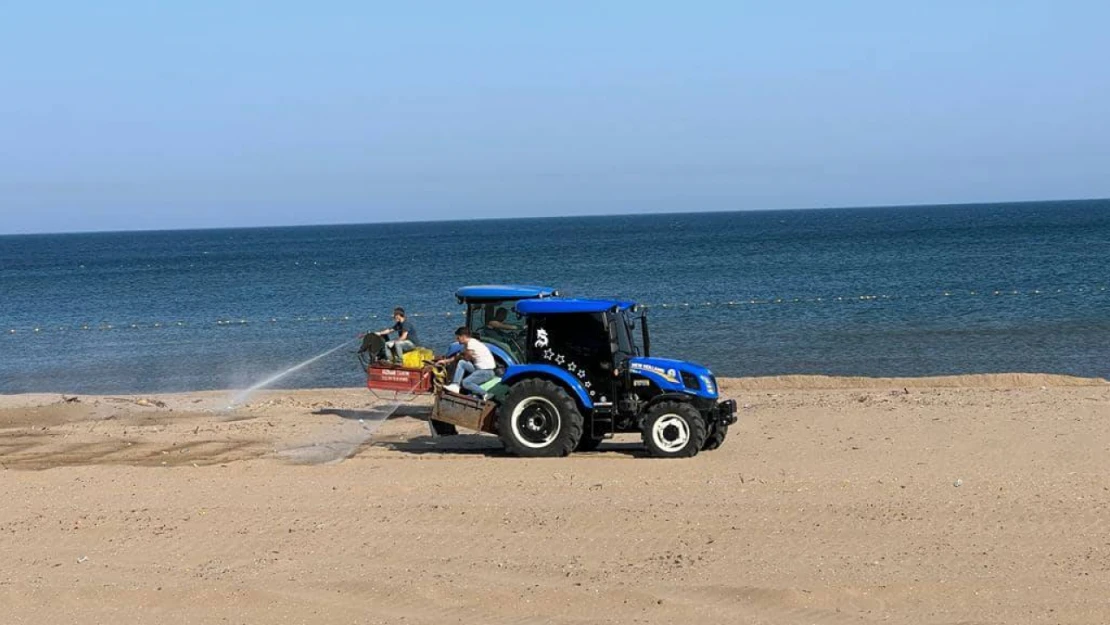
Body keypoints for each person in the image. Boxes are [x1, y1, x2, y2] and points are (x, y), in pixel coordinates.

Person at [438, 326, 496, 397]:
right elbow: (459, 357)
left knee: (465, 383)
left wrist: (462, 355)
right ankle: (455, 385)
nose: (457, 340)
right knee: (462, 363)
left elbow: (467, 357)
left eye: (458, 337)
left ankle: (485, 394)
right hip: (479, 368)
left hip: (486, 372)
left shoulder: (471, 344)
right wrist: (445, 361)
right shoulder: (467, 344)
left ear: (463, 336)